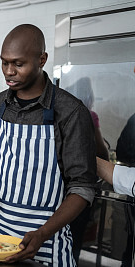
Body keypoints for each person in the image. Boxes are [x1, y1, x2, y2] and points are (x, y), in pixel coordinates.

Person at [0, 24, 96, 266]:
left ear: (41, 59)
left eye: (18, 64)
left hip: (45, 239)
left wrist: (43, 234)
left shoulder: (70, 112)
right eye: (4, 63)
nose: (9, 72)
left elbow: (82, 187)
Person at [66, 77, 110, 264]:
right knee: (75, 237)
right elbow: (101, 151)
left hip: (59, 185)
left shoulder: (61, 111)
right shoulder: (89, 115)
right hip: (79, 186)